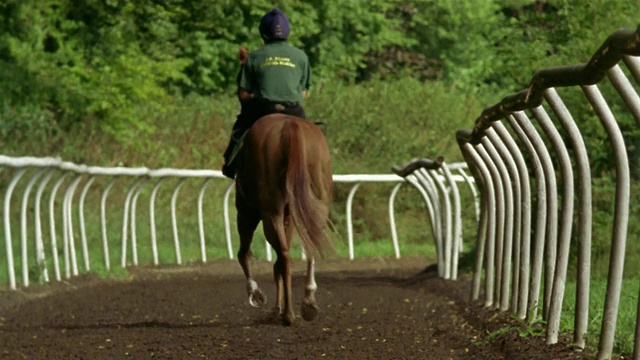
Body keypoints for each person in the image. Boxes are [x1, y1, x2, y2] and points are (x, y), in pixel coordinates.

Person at [221, 8, 311, 179]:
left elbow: (244, 94)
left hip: (262, 109)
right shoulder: (301, 57)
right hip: (293, 109)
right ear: (287, 33)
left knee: (241, 126)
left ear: (263, 33)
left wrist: (257, 95)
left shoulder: (254, 57)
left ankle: (230, 162)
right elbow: (304, 93)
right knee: (310, 133)